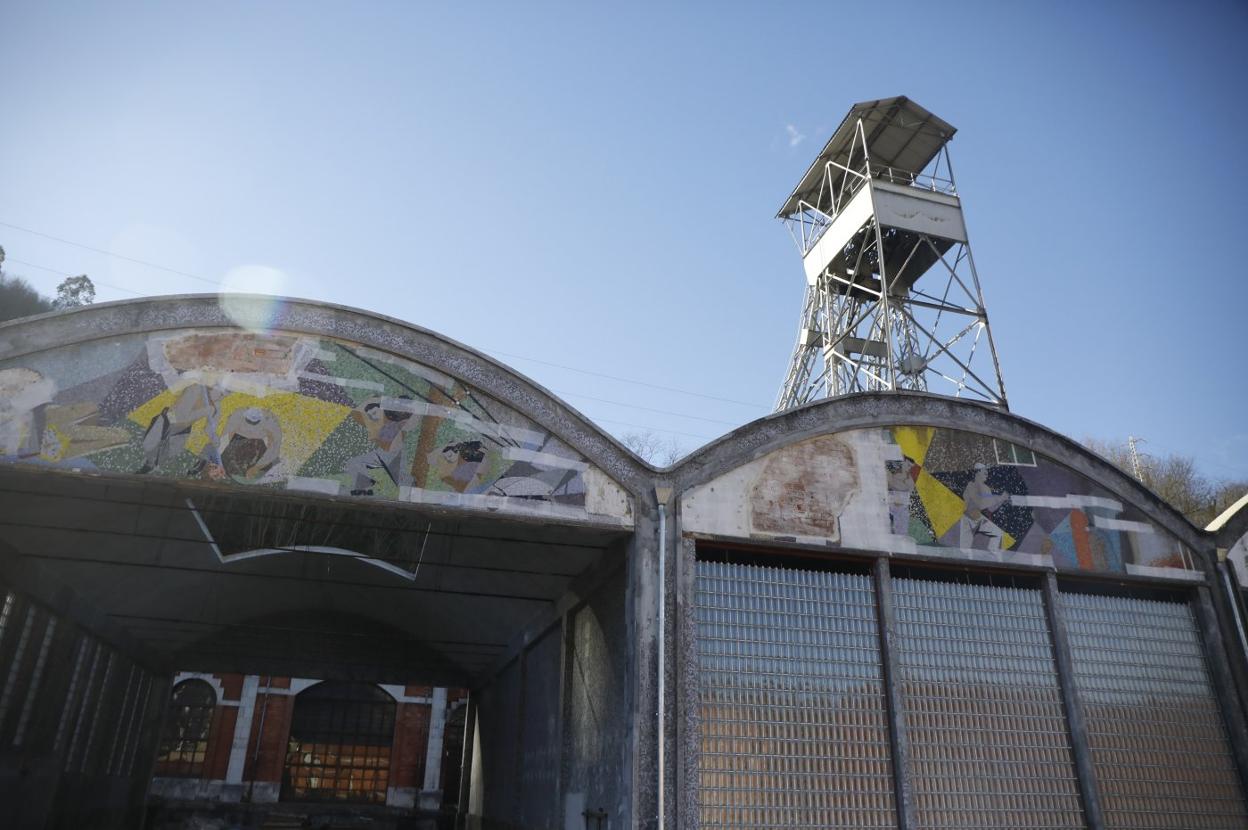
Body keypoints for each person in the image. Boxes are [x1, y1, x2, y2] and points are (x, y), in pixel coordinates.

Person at [958, 463, 1009, 550]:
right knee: (964, 550)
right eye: (985, 472)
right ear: (977, 472)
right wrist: (999, 498)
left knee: (997, 533)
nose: (987, 474)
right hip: (969, 519)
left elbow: (990, 508)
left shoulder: (986, 488)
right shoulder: (971, 485)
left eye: (987, 472)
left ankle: (992, 554)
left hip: (980, 519)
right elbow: (981, 503)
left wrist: (1002, 500)